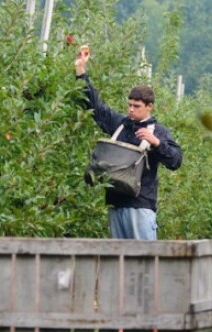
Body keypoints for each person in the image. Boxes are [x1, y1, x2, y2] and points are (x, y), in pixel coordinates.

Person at [75, 46, 183, 240]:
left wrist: (156, 143)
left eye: (137, 106)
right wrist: (81, 70)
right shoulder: (120, 125)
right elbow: (95, 106)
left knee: (144, 263)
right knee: (121, 265)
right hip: (115, 205)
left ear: (149, 106)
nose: (131, 110)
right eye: (129, 105)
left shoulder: (158, 131)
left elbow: (176, 161)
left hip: (141, 206)